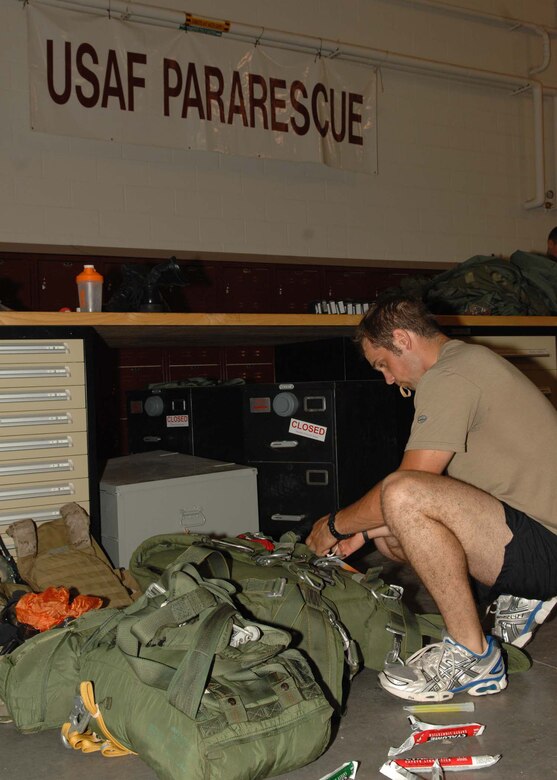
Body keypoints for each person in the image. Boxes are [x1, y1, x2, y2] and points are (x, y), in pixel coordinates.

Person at [306, 293, 557, 702]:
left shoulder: (451, 376)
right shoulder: (465, 362)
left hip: (546, 544)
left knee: (402, 492)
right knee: (389, 535)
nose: (388, 379)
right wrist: (365, 534)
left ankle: (473, 656)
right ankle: (525, 592)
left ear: (402, 339)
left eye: (383, 364)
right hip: (532, 529)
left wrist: (335, 525)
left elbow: (410, 485)